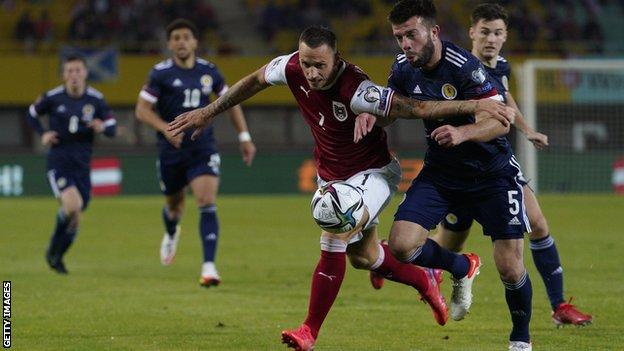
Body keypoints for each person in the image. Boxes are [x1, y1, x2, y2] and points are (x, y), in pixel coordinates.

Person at [168, 26, 510, 351]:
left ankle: (309, 331)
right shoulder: (291, 67)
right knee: (365, 257)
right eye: (306, 64)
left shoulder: (357, 88)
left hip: (374, 173)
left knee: (333, 226)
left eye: (320, 65)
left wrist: (474, 105)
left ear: (336, 59)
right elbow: (256, 79)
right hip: (332, 176)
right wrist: (208, 112)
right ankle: (437, 276)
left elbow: (416, 108)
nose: (312, 73)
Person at [356, 1, 534, 349]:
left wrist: (462, 133)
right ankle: (460, 265)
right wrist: (372, 116)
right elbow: (394, 109)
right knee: (403, 246)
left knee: (510, 268)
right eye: (399, 37)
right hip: (441, 174)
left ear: (433, 32)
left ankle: (520, 340)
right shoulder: (402, 68)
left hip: (492, 175)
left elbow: (500, 122)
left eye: (412, 35)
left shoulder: (465, 68)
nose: (405, 44)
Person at [430, 3, 592, 328]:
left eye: (498, 33)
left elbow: (507, 100)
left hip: (497, 166)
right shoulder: (460, 67)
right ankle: (393, 261)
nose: (491, 39)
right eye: (485, 32)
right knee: (447, 244)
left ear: (505, 36)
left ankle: (558, 305)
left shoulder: (500, 65)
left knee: (538, 225)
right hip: (461, 167)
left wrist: (528, 130)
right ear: (472, 32)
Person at [135, 19, 256, 287]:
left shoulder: (209, 72)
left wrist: (244, 136)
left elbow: (231, 102)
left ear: (195, 42)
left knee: (205, 200)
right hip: (171, 150)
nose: (181, 41)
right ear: (169, 44)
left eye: (186, 37)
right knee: (174, 207)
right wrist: (165, 128)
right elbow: (141, 110)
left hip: (203, 147)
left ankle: (209, 267)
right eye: (175, 37)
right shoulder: (160, 73)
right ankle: (171, 230)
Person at [26, 55, 117, 274]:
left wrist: (101, 127)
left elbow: (113, 128)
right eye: (69, 71)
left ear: (85, 73)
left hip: (82, 166)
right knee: (72, 207)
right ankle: (53, 252)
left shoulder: (96, 99)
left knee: (75, 217)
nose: (74, 75)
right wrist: (43, 133)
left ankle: (56, 255)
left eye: (78, 70)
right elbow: (31, 114)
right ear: (64, 75)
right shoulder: (53, 97)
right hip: (59, 162)